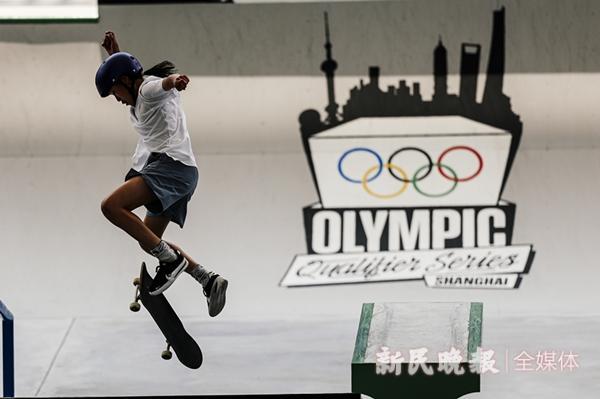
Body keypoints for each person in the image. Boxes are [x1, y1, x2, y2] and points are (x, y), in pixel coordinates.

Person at [96, 31, 227, 317]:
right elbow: (132, 75)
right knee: (149, 238)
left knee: (111, 206)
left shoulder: (146, 90)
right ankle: (207, 279)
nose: (115, 99)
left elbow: (158, 87)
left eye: (114, 91)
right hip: (179, 172)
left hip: (170, 168)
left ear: (126, 82)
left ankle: (170, 262)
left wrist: (174, 81)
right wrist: (115, 56)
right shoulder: (136, 90)